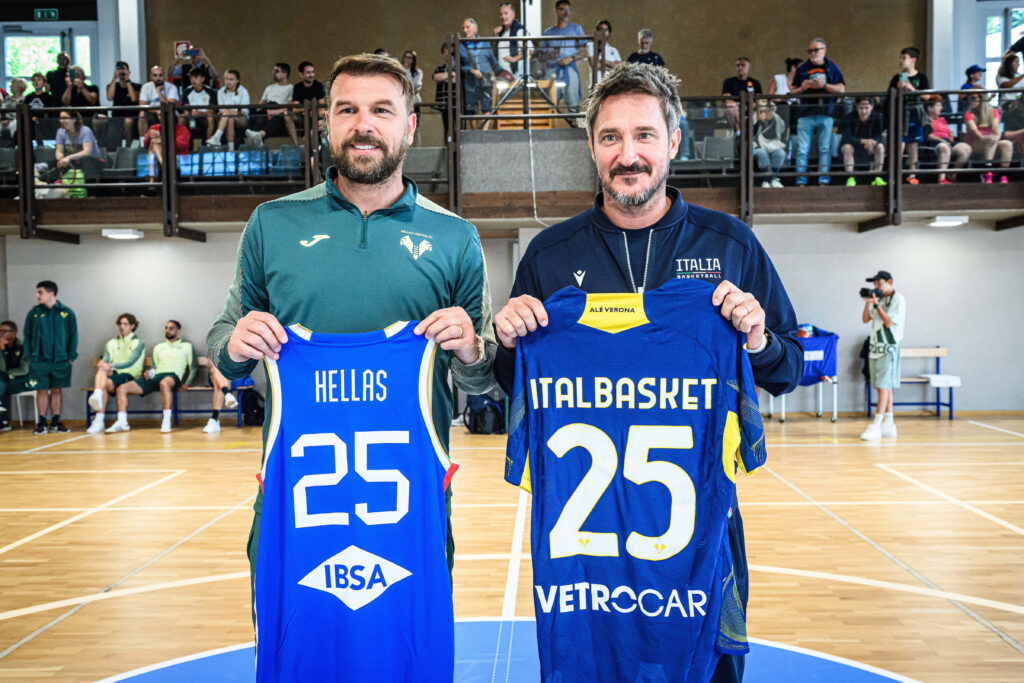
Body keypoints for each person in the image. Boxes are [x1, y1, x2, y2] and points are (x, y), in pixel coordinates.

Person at [492, 62, 801, 683]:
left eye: (644, 135)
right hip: (586, 550)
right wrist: (507, 340)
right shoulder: (550, 254)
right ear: (591, 147)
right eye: (610, 137)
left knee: (708, 672)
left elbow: (788, 368)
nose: (627, 154)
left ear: (674, 141)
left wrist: (758, 338)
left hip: (700, 538)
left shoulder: (730, 243)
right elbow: (515, 385)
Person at [204, 52, 496, 641]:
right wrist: (235, 344)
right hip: (295, 501)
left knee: (404, 656)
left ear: (410, 126)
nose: (363, 125)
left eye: (382, 110)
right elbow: (221, 349)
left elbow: (484, 378)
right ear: (327, 123)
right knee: (295, 654)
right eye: (347, 110)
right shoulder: (272, 224)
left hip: (409, 505)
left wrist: (471, 351)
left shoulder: (455, 237)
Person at [110, 320, 194, 433]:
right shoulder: (158, 347)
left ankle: (166, 421)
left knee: (164, 383)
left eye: (171, 328)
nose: (167, 330)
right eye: (166, 328)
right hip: (156, 377)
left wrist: (187, 383)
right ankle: (122, 423)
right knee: (121, 388)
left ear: (178, 331)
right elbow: (154, 366)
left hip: (173, 376)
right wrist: (148, 372)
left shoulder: (187, 346)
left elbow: (194, 367)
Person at [24, 280, 77, 435]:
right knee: (41, 390)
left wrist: (70, 356)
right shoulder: (33, 313)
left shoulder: (67, 312)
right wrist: (29, 356)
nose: (37, 295)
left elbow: (73, 335)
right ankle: (41, 423)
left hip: (60, 360)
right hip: (39, 360)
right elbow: (27, 335)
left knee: (57, 390)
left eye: (40, 292)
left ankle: (55, 422)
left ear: (51, 293)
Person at [791, 37, 846, 185]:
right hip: (805, 113)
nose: (813, 53)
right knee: (802, 149)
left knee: (825, 149)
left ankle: (823, 180)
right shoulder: (802, 69)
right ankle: (800, 181)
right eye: (810, 51)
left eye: (816, 50)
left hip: (826, 113)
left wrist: (825, 85)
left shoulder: (832, 67)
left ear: (824, 50)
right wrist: (802, 88)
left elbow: (842, 89)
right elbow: (791, 91)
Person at [861, 270, 905, 441]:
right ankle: (889, 423)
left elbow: (888, 322)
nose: (877, 287)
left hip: (888, 348)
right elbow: (865, 319)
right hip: (875, 348)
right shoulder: (879, 299)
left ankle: (876, 424)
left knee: (883, 387)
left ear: (889, 282)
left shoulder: (898, 299)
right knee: (884, 387)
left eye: (879, 283)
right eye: (875, 284)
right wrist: (868, 302)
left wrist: (876, 305)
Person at [86, 313, 145, 434]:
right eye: (120, 324)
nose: (122, 326)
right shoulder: (111, 343)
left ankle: (99, 419)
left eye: (125, 324)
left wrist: (110, 366)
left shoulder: (138, 343)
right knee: (102, 370)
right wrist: (102, 363)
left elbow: (130, 362)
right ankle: (97, 396)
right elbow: (106, 359)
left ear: (133, 326)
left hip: (130, 374)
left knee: (103, 385)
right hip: (114, 373)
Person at [887, 47, 930, 184]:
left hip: (915, 114)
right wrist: (898, 88)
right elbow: (889, 96)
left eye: (904, 58)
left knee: (913, 146)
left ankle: (912, 175)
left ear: (913, 60)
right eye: (900, 58)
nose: (901, 61)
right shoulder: (897, 77)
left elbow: (927, 96)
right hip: (901, 114)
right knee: (899, 145)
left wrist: (913, 89)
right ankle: (894, 176)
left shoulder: (921, 77)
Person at [539, 0, 587, 114]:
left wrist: (571, 58)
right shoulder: (548, 32)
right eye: (562, 9)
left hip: (569, 70)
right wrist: (549, 55)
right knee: (550, 104)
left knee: (573, 104)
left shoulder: (576, 29)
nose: (566, 13)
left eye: (568, 9)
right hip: (552, 71)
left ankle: (574, 123)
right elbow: (540, 56)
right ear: (556, 11)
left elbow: (585, 51)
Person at [459, 18, 500, 130]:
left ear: (475, 29)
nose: (465, 30)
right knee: (472, 109)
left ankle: (483, 133)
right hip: (470, 83)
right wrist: (470, 70)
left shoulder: (485, 43)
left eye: (467, 27)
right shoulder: (461, 46)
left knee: (486, 107)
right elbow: (458, 66)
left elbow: (494, 63)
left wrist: (503, 74)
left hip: (485, 80)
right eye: (463, 28)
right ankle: (475, 134)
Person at [964, 91, 1013, 182]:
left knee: (1007, 144)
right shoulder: (968, 114)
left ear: (982, 99)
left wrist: (995, 138)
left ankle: (1003, 174)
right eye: (970, 98)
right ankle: (988, 171)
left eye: (974, 98)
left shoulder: (994, 111)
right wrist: (984, 138)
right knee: (989, 140)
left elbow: (996, 129)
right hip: (975, 142)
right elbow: (974, 130)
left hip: (991, 141)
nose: (971, 101)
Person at [245, 63, 299, 146]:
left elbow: (290, 106)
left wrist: (275, 111)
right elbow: (261, 105)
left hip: (280, 113)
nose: (273, 73)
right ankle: (257, 140)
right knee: (259, 116)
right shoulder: (269, 88)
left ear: (284, 74)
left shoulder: (291, 88)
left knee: (279, 117)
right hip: (267, 111)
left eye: (276, 71)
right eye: (274, 71)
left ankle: (259, 135)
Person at [922, 96, 970, 184]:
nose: (941, 108)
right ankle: (941, 179)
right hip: (934, 143)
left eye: (941, 105)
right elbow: (927, 135)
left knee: (966, 148)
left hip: (948, 142)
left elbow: (948, 131)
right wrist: (943, 141)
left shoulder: (942, 119)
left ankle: (952, 174)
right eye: (938, 105)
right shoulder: (925, 120)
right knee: (944, 147)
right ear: (929, 108)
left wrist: (951, 135)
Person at [839, 96, 886, 186]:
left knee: (880, 146)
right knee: (847, 147)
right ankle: (850, 177)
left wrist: (872, 143)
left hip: (870, 147)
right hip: (853, 146)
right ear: (856, 107)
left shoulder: (878, 117)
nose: (864, 111)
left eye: (866, 108)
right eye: (861, 108)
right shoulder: (849, 117)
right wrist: (863, 141)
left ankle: (877, 177)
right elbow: (847, 137)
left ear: (872, 107)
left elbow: (878, 135)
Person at [142, 113, 190, 187]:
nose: (161, 116)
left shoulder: (183, 129)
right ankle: (165, 166)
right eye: (159, 115)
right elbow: (145, 145)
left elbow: (180, 146)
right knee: (153, 143)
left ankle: (152, 181)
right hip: (165, 163)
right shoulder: (154, 127)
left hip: (178, 158)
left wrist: (162, 141)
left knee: (154, 143)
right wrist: (149, 136)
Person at [55, 109, 104, 181]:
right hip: (75, 161)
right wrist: (61, 159)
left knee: (85, 160)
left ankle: (89, 186)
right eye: (60, 118)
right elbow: (59, 151)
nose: (61, 121)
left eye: (64, 118)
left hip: (94, 161)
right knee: (55, 162)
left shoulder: (85, 130)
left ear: (74, 119)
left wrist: (69, 158)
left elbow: (87, 152)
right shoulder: (60, 132)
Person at [207, 69, 250, 149]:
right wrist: (232, 112)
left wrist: (229, 111)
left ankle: (217, 137)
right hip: (227, 118)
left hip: (242, 119)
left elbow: (244, 112)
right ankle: (231, 148)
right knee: (230, 119)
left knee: (227, 112)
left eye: (231, 79)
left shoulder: (243, 91)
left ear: (237, 80)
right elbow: (221, 111)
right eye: (226, 79)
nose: (228, 82)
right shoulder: (220, 91)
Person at [0, 321, 30, 431]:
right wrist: (1, 349)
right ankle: (3, 422)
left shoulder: (22, 347)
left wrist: (8, 373)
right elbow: (2, 368)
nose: (1, 334)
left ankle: (3, 422)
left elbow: (24, 370)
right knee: (2, 384)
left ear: (14, 333)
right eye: (0, 331)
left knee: (3, 385)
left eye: (4, 331)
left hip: (21, 379)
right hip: (4, 379)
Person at [722, 56, 762, 133]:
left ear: (749, 67)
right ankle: (739, 133)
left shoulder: (755, 83)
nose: (740, 67)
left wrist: (747, 106)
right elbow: (727, 99)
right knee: (731, 107)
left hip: (750, 109)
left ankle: (756, 134)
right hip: (735, 109)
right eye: (738, 65)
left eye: (743, 65)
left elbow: (759, 100)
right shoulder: (728, 81)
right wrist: (739, 105)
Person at [138, 65, 179, 138]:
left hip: (168, 112)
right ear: (151, 77)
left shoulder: (172, 87)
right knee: (142, 114)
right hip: (151, 112)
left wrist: (159, 92)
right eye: (155, 75)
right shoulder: (145, 87)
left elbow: (170, 105)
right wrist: (157, 110)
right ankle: (142, 141)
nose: (158, 78)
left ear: (164, 76)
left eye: (160, 75)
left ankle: (169, 140)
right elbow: (142, 105)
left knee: (164, 114)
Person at [180, 66, 217, 146]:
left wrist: (200, 113)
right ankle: (181, 143)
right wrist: (189, 113)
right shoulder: (187, 91)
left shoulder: (210, 92)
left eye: (196, 77)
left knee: (210, 117)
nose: (193, 80)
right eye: (191, 78)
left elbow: (212, 110)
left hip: (204, 117)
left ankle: (208, 144)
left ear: (203, 79)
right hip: (191, 117)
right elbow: (185, 108)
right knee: (181, 117)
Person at [753, 101, 787, 187]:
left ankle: (767, 180)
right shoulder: (754, 116)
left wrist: (772, 117)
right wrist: (760, 121)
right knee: (762, 153)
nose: (769, 110)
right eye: (768, 108)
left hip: (772, 145)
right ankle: (773, 179)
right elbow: (749, 134)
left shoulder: (776, 118)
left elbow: (782, 131)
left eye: (772, 108)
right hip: (756, 146)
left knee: (780, 153)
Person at [106, 61, 141, 145]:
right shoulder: (111, 86)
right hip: (116, 117)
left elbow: (134, 98)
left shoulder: (137, 86)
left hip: (132, 117)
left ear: (129, 72)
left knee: (128, 121)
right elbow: (109, 98)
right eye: (119, 69)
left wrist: (127, 80)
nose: (121, 71)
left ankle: (127, 147)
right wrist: (114, 78)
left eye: (124, 69)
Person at [202, 362, 239, 433]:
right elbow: (209, 363)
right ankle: (227, 394)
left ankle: (214, 419)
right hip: (216, 374)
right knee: (215, 369)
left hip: (235, 375)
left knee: (218, 384)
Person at [494, 3, 528, 79]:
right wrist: (495, 36)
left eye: (506, 13)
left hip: (516, 76)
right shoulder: (501, 32)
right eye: (501, 14)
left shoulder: (520, 31)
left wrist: (514, 59)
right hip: (502, 76)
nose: (503, 16)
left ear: (513, 15)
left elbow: (530, 51)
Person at [433, 43, 457, 141]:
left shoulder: (457, 68)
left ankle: (456, 147)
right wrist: (450, 74)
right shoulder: (439, 68)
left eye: (449, 53)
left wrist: (446, 76)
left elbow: (455, 80)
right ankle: (448, 147)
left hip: (456, 102)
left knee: (457, 127)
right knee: (447, 127)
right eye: (444, 52)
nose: (447, 55)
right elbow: (436, 77)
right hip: (444, 102)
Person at [587, 20, 622, 85]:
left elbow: (619, 67)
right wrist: (610, 68)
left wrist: (605, 61)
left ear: (609, 33)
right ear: (597, 31)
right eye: (601, 29)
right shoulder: (591, 46)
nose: (603, 32)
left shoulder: (613, 50)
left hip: (611, 85)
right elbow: (595, 65)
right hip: (595, 85)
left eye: (606, 30)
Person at [0, 78, 26, 143]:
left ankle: (14, 143)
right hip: (5, 120)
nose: (10, 87)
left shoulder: (24, 100)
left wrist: (10, 120)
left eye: (12, 85)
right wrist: (2, 119)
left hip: (17, 120)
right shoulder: (7, 98)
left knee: (15, 123)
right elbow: (2, 110)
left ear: (19, 88)